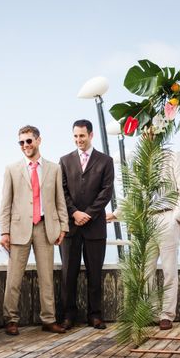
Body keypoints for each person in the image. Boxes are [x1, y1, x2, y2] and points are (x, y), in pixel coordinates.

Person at [107, 149, 180, 330]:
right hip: (146, 219)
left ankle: (167, 315)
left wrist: (175, 217)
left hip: (168, 217)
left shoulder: (173, 156)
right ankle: (151, 312)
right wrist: (116, 214)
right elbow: (135, 193)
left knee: (169, 270)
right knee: (146, 270)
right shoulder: (142, 157)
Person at [0, 125, 68, 335]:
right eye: (21, 142)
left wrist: (63, 226)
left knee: (47, 277)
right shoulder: (11, 169)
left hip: (46, 227)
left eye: (28, 141)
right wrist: (4, 231)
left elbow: (59, 200)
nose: (25, 145)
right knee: (14, 277)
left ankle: (48, 319)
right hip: (19, 228)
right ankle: (11, 319)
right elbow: (6, 203)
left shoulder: (54, 168)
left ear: (38, 141)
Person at [59, 120, 114, 330]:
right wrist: (74, 212)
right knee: (68, 274)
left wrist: (88, 214)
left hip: (95, 227)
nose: (78, 140)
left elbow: (106, 192)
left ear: (91, 135)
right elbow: (62, 191)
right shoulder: (64, 161)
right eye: (75, 136)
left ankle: (95, 315)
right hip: (71, 227)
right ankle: (68, 315)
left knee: (94, 273)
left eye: (82, 136)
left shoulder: (105, 161)